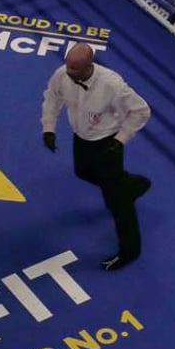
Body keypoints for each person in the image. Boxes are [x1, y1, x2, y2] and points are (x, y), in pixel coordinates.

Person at [40, 43, 152, 271]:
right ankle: (132, 184)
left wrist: (120, 140)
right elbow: (52, 98)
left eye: (74, 69)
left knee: (117, 203)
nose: (68, 73)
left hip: (107, 142)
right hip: (81, 136)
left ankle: (130, 250)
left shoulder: (112, 85)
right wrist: (48, 128)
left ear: (89, 66)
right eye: (67, 66)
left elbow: (141, 111)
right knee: (82, 171)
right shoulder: (62, 74)